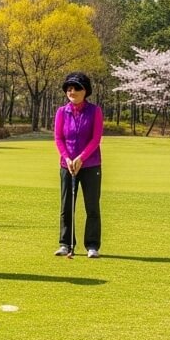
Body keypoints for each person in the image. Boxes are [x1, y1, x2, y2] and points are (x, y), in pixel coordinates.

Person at [53, 71, 104, 258]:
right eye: (69, 88)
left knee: (92, 206)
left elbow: (95, 138)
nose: (72, 92)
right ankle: (65, 244)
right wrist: (67, 158)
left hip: (90, 165)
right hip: (67, 165)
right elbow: (59, 138)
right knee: (66, 206)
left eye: (76, 88)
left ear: (85, 91)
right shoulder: (62, 112)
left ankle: (92, 245)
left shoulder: (95, 111)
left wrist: (81, 158)